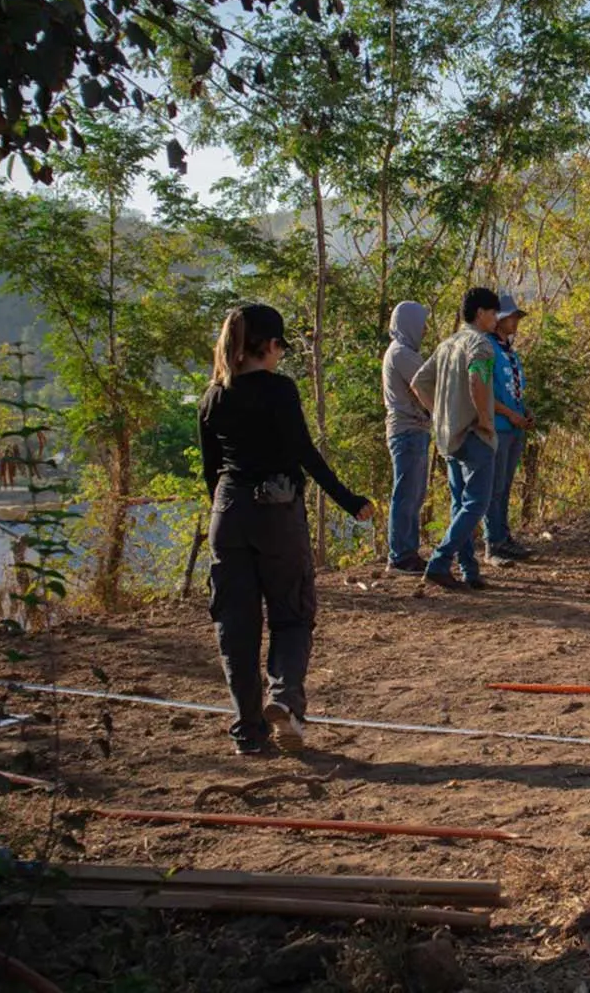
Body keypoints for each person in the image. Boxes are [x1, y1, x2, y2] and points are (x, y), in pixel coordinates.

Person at [198, 303, 374, 756]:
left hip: (228, 512)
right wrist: (350, 501)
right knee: (292, 614)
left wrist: (227, 512)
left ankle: (248, 731)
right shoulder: (279, 391)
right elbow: (305, 455)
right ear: (270, 345)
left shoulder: (213, 396)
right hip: (277, 514)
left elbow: (210, 472)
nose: (280, 356)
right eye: (280, 348)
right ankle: (285, 702)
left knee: (235, 626)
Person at [412, 287, 500, 591]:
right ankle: (440, 562)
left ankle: (468, 570)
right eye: (493, 312)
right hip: (475, 434)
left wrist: (439, 413)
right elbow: (477, 378)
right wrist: (485, 418)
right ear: (480, 313)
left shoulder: (447, 344)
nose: (496, 319)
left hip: (448, 435)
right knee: (476, 503)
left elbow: (419, 382)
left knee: (460, 503)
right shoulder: (480, 345)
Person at [380, 300, 431, 574]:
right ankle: (400, 555)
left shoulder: (403, 352)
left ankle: (407, 552)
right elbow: (423, 388)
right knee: (407, 493)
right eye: (421, 324)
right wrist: (441, 414)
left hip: (413, 430)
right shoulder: (401, 354)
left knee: (413, 492)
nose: (424, 331)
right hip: (408, 430)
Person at [483, 291, 533, 564]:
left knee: (506, 484)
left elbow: (514, 389)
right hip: (498, 427)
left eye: (516, 317)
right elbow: (485, 393)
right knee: (495, 486)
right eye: (510, 317)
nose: (515, 321)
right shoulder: (486, 348)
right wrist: (511, 415)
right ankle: (493, 544)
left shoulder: (509, 351)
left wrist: (524, 411)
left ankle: (504, 536)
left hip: (514, 427)